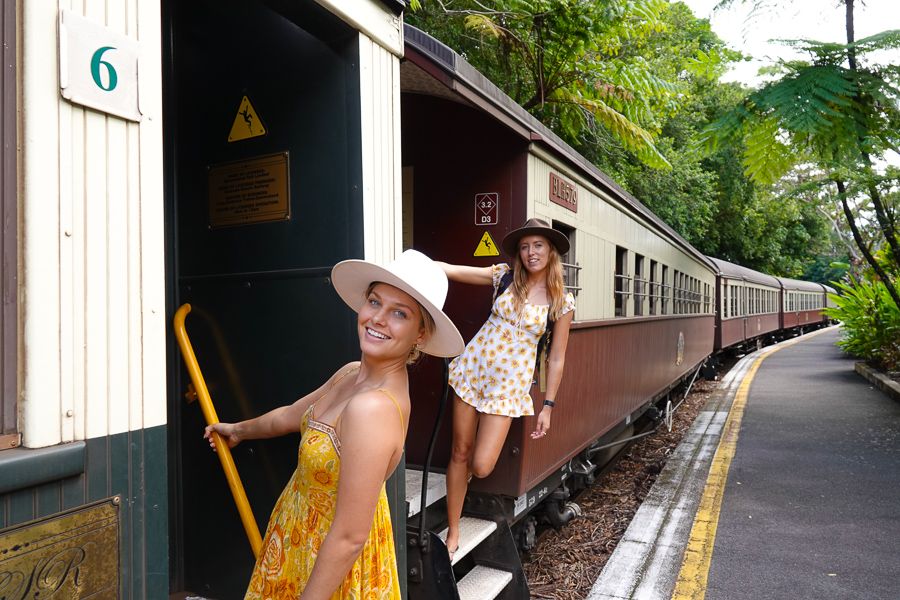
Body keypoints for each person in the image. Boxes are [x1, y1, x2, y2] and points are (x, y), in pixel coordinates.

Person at [204, 250, 464, 600]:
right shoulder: (351, 373)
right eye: (375, 302)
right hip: (299, 544)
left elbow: (349, 536)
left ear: (420, 334)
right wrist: (238, 430)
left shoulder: (372, 409)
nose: (378, 318)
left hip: (329, 572)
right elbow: (293, 415)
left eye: (399, 313)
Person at [438, 218, 576, 559]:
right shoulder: (503, 276)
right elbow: (453, 270)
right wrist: (417, 263)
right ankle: (453, 530)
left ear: (551, 250)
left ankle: (461, 480)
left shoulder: (562, 302)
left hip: (508, 388)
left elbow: (556, 359)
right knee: (459, 451)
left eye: (538, 245)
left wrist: (548, 406)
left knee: (481, 464)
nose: (531, 252)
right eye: (525, 246)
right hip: (472, 370)